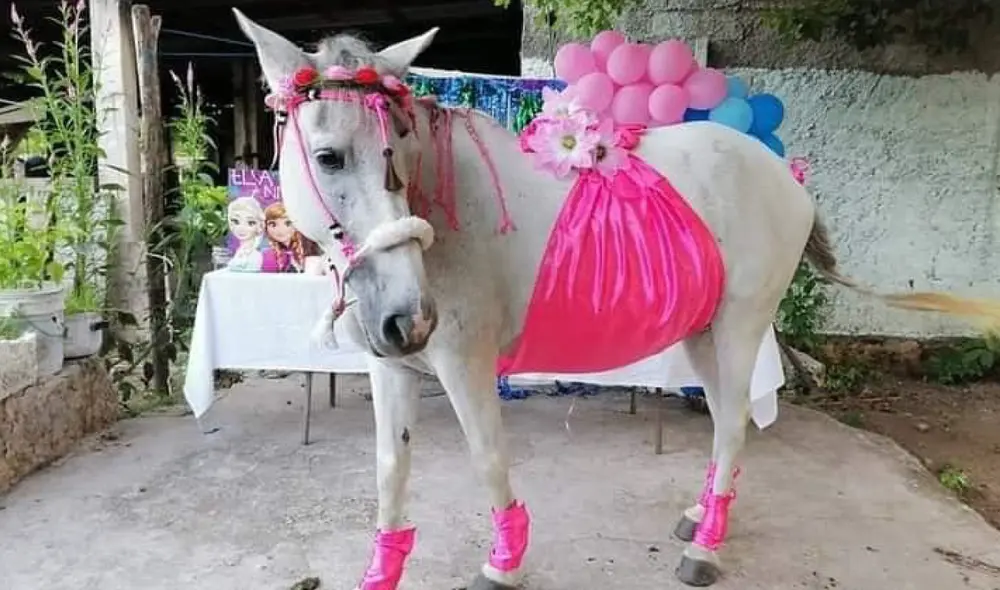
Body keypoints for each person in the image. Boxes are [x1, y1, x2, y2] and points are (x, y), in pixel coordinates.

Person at [260, 202, 316, 273]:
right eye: (273, 224)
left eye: (288, 223)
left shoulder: (310, 249)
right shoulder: (268, 255)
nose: (280, 230)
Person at [226, 196, 265, 272]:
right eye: (236, 221)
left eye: (250, 223)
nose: (242, 228)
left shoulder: (256, 256)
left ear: (259, 226)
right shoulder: (240, 252)